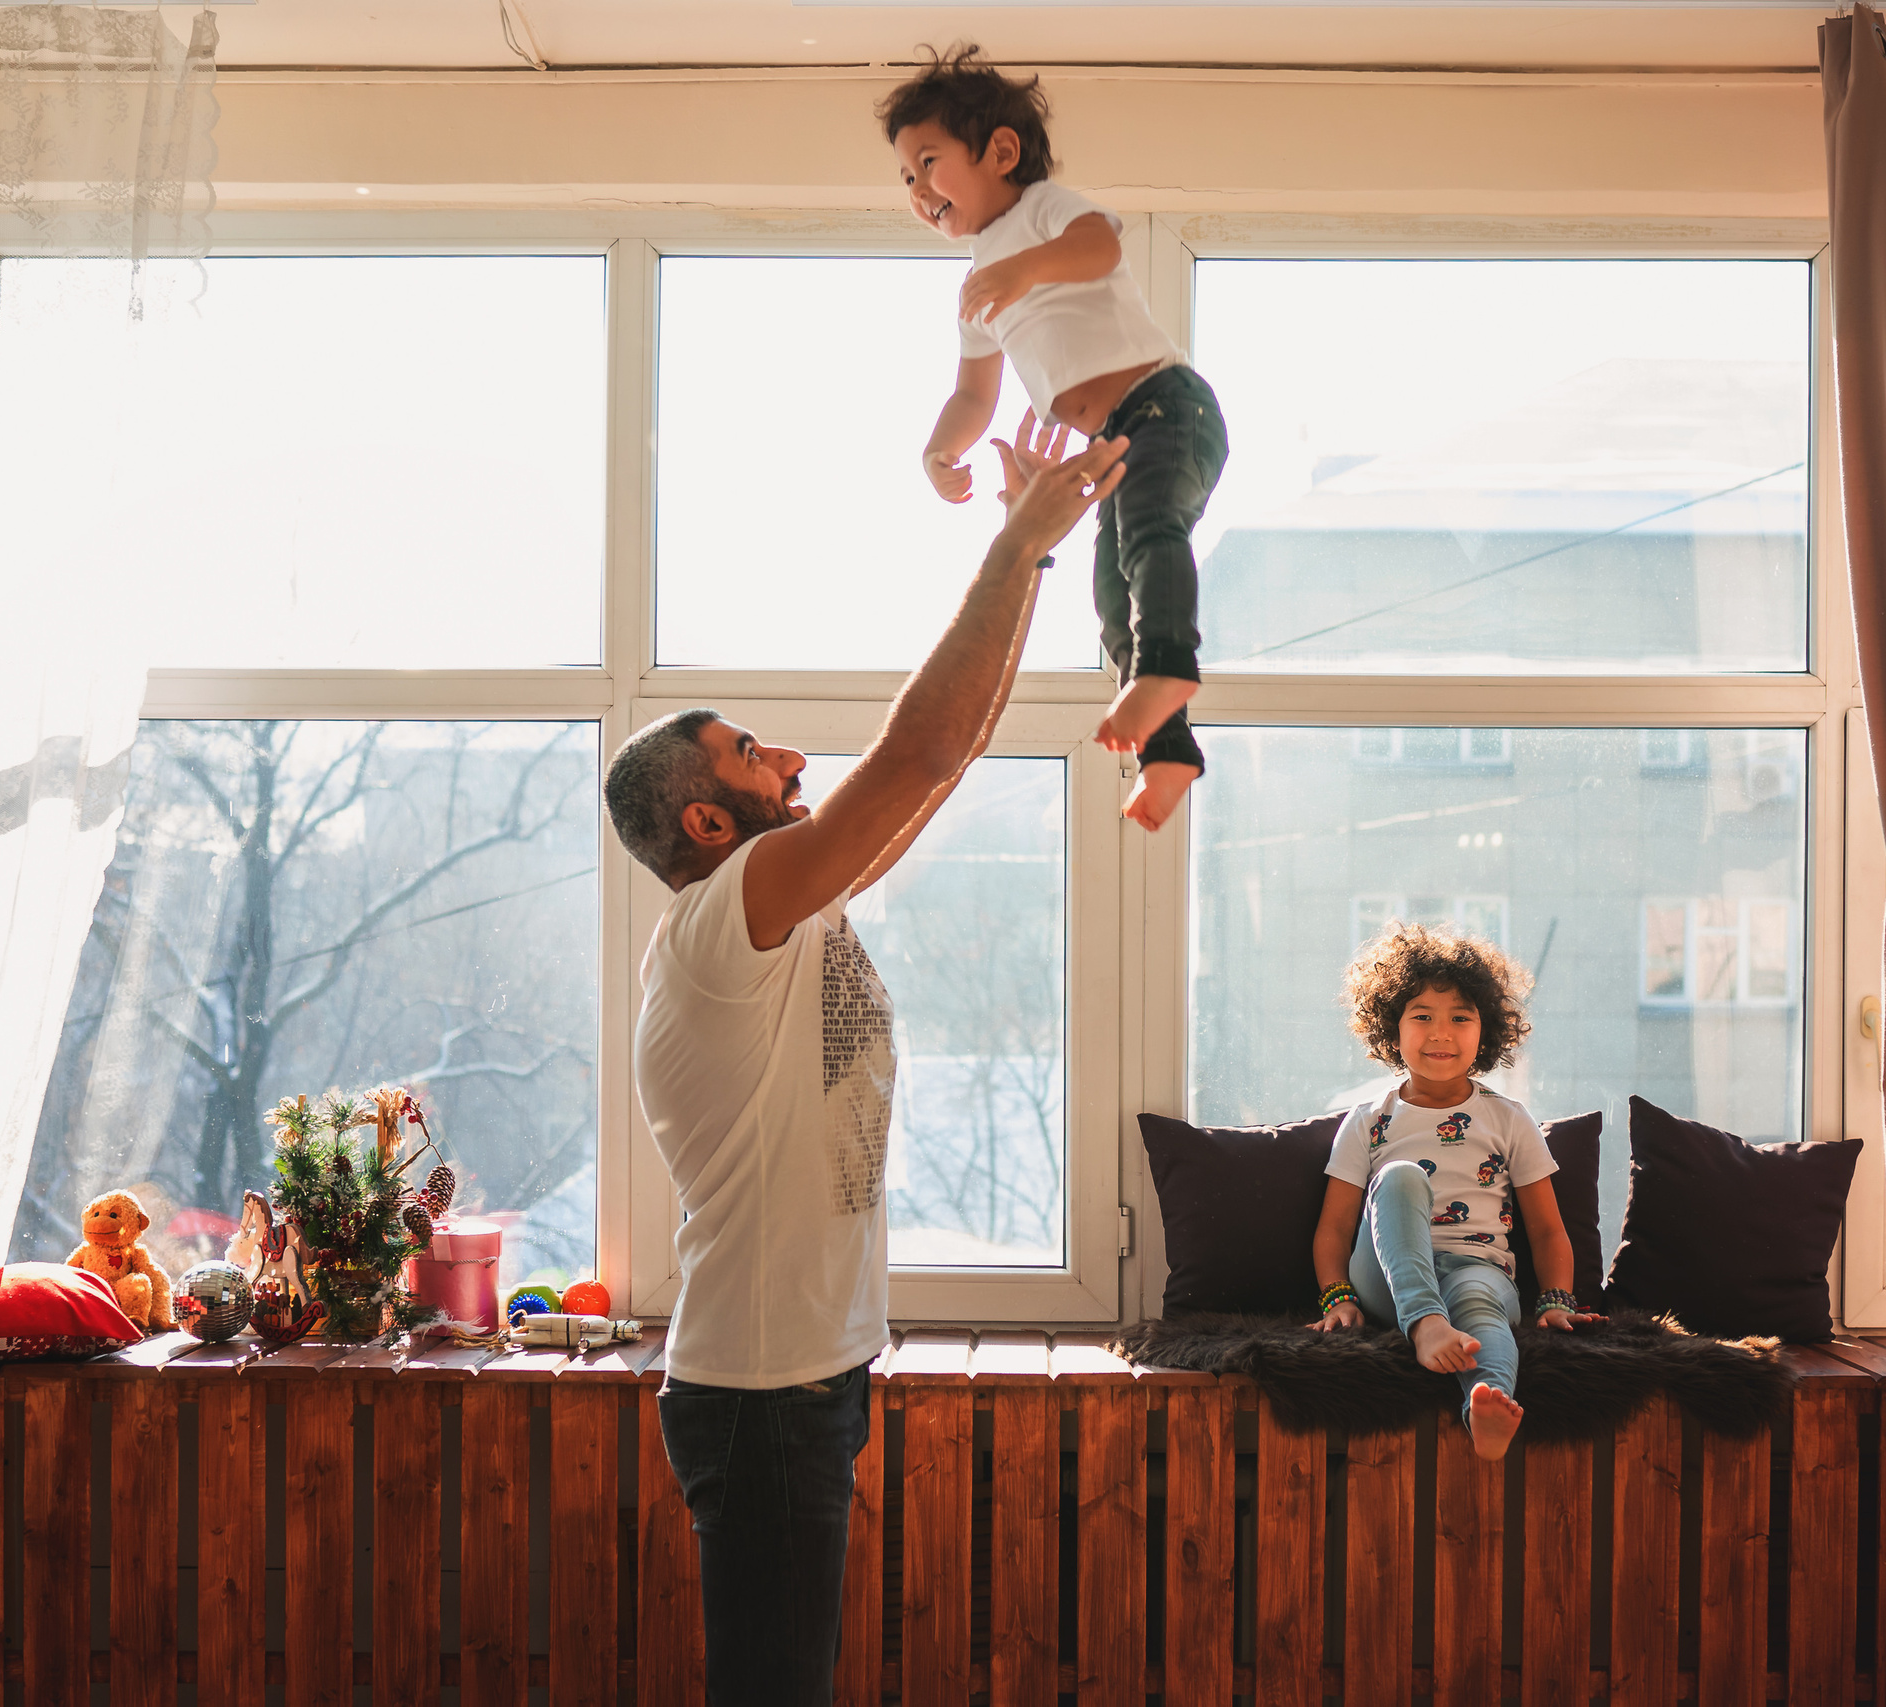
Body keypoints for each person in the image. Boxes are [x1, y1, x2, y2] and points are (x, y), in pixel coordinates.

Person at [607, 421, 1125, 1703]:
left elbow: (935, 772)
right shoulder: (728, 917)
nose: (789, 756)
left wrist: (1037, 567)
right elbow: (916, 756)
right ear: (708, 821)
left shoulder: (780, 918)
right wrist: (1011, 542)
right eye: (750, 752)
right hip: (765, 1390)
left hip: (801, 1375)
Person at [879, 44, 1229, 834]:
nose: (915, 188)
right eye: (904, 176)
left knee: (1148, 536)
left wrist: (1025, 271)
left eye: (927, 161)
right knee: (1110, 594)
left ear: (1000, 152)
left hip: (1166, 408)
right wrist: (940, 451)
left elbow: (1099, 248)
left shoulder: (1040, 213)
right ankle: (1167, 754)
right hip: (1109, 445)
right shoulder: (975, 282)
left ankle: (1171, 667)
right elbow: (974, 391)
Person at [1307, 922, 1602, 1460]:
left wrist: (1557, 1300)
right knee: (1400, 1177)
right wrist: (1338, 1296)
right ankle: (1426, 1326)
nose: (1441, 1033)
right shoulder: (1368, 1120)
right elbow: (1333, 1228)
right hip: (1390, 1283)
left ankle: (1485, 1409)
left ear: (1485, 1032)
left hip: (1480, 1273)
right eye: (1422, 1016)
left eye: (1460, 1017)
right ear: (1391, 1029)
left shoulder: (1509, 1119)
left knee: (1482, 1313)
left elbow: (1547, 1229)